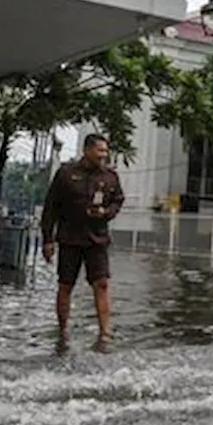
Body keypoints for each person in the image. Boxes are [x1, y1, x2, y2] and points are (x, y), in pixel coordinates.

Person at [40, 133, 125, 352]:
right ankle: (63, 331)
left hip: (97, 240)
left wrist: (106, 212)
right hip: (70, 239)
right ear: (87, 150)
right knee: (65, 285)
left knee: (102, 284)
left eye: (106, 151)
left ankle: (105, 333)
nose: (104, 155)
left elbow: (118, 200)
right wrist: (48, 240)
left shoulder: (110, 176)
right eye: (100, 151)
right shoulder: (66, 174)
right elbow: (51, 208)